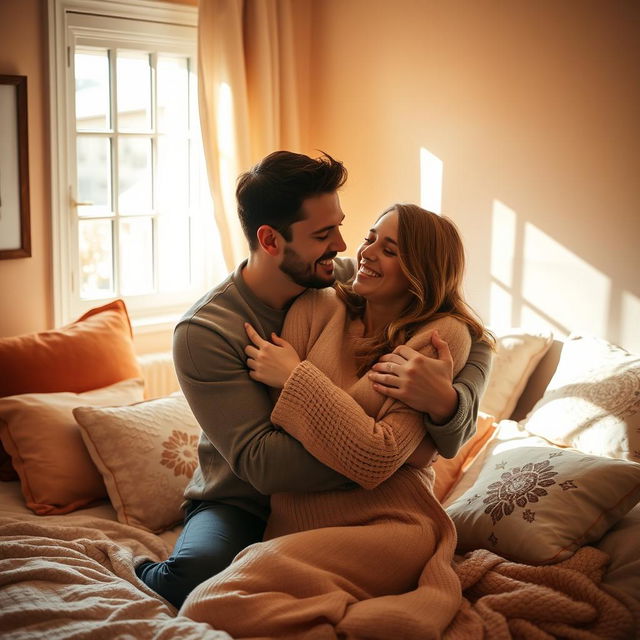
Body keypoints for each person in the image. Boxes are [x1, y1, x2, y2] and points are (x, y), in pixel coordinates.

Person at [136, 151, 493, 610]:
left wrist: (448, 403)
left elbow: (464, 328)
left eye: (343, 227)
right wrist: (393, 453)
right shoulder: (205, 332)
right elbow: (265, 465)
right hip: (243, 497)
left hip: (358, 505)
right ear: (270, 240)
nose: (345, 247)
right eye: (324, 234)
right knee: (193, 580)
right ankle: (141, 568)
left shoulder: (338, 280)